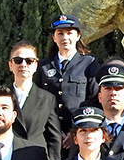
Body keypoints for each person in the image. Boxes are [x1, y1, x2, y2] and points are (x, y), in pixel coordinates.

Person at [35, 14, 99, 150]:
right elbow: (38, 101)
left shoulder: (89, 63)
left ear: (78, 36)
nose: (65, 38)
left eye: (69, 33)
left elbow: (94, 100)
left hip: (79, 137)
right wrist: (54, 133)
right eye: (60, 33)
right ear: (54, 37)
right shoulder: (43, 66)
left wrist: (74, 131)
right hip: (49, 136)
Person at [8, 40, 62, 160]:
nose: (23, 65)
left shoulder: (47, 99)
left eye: (29, 61)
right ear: (10, 65)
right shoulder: (0, 97)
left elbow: (54, 139)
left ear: (36, 65)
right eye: (18, 60)